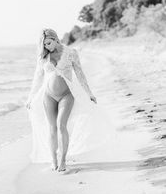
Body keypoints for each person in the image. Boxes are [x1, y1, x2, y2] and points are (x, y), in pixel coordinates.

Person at [25, 28, 116, 172]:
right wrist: (30, 97)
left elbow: (80, 73)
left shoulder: (70, 53)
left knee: (61, 125)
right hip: (48, 96)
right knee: (52, 128)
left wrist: (89, 93)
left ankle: (63, 160)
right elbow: (38, 78)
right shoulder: (43, 57)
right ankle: (53, 160)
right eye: (44, 45)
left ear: (55, 39)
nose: (47, 47)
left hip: (66, 95)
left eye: (48, 43)